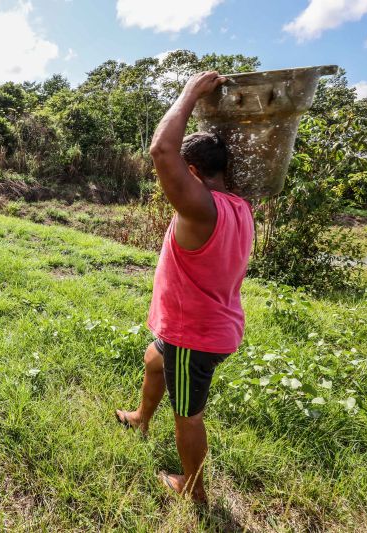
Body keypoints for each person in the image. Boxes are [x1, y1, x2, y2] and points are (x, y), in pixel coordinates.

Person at [115, 71, 255, 503]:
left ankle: (193, 489)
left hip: (194, 334)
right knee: (153, 359)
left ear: (192, 171)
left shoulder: (200, 209)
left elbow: (161, 149)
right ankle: (141, 418)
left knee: (188, 415)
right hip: (202, 324)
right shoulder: (239, 204)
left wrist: (191, 91)